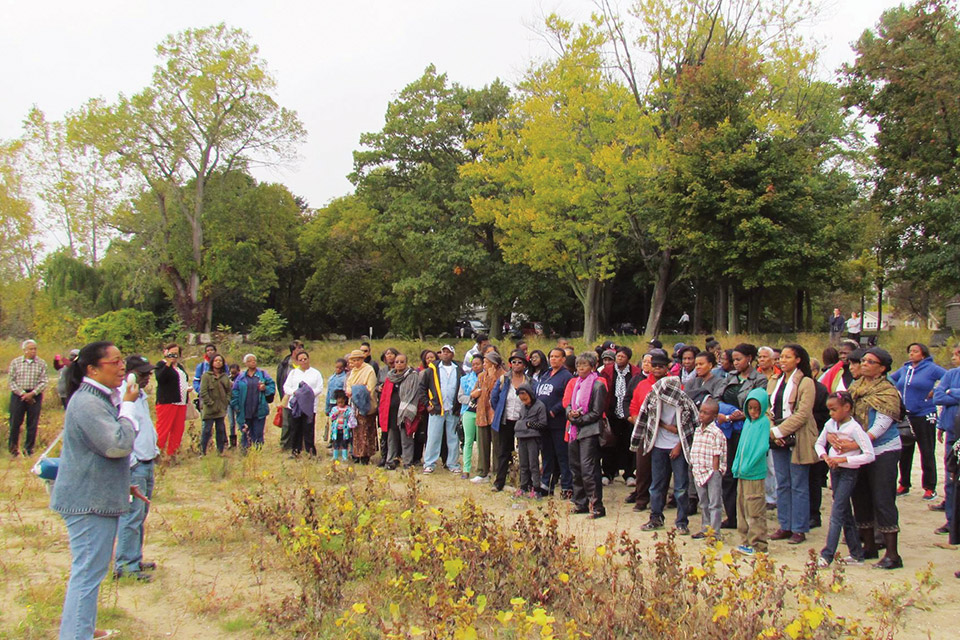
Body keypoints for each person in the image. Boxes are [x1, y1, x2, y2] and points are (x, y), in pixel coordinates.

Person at [51, 341, 141, 640]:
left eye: (122, 361)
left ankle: (81, 629)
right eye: (114, 362)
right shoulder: (88, 403)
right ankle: (76, 634)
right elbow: (117, 445)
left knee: (90, 572)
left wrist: (121, 483)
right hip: (87, 502)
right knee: (88, 574)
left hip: (94, 496)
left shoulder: (98, 398)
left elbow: (94, 455)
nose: (122, 367)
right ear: (92, 369)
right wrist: (129, 406)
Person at [845, 347, 903, 569]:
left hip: (883, 450)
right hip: (859, 450)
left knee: (883, 499)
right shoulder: (855, 387)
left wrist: (858, 442)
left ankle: (892, 554)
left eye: (871, 362)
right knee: (860, 497)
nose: (865, 364)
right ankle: (868, 546)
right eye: (864, 360)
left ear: (882, 368)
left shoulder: (887, 391)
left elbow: (881, 425)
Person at [767, 344, 820, 545]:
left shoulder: (806, 382)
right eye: (781, 357)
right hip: (777, 437)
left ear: (798, 360)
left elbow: (803, 413)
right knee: (782, 483)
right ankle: (785, 525)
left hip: (799, 437)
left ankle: (799, 528)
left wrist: (780, 431)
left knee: (798, 484)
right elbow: (767, 408)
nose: (782, 360)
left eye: (787, 357)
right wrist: (773, 431)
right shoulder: (775, 381)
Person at [815, 391, 875, 567]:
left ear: (847, 407)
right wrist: (825, 457)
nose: (831, 413)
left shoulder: (854, 428)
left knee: (837, 512)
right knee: (845, 512)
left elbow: (869, 455)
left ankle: (827, 554)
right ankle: (856, 554)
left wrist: (844, 460)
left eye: (834, 409)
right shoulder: (830, 424)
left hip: (849, 472)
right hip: (835, 470)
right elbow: (819, 443)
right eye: (829, 410)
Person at [115, 354, 160, 583]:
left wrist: (155, 450)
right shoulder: (124, 397)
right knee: (131, 516)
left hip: (147, 461)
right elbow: (121, 429)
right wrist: (130, 461)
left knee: (140, 514)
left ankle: (134, 557)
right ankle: (125, 566)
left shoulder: (140, 396)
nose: (147, 378)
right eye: (143, 374)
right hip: (135, 465)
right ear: (130, 375)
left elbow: (145, 427)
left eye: (149, 373)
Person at [633, 376, 698, 534]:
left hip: (678, 448)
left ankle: (681, 522)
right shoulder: (653, 398)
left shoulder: (684, 402)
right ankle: (655, 518)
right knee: (656, 486)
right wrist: (636, 442)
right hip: (658, 446)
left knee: (680, 488)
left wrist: (679, 446)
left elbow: (693, 427)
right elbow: (642, 420)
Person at [717, 344, 768, 529]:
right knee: (728, 473)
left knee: (745, 473)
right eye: (734, 360)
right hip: (727, 429)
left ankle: (747, 516)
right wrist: (724, 413)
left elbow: (759, 405)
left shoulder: (759, 379)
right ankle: (732, 516)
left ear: (750, 358)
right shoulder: (730, 376)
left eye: (739, 359)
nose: (736, 363)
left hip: (746, 429)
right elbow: (717, 397)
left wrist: (741, 414)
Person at [890, 342, 945, 500]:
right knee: (905, 451)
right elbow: (890, 380)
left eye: (915, 351)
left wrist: (937, 390)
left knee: (926, 451)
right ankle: (904, 484)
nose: (912, 354)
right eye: (910, 351)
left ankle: (929, 487)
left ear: (923, 354)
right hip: (906, 415)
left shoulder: (931, 368)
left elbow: (949, 378)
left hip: (925, 413)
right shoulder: (905, 369)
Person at [566, 352, 608, 518]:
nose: (581, 368)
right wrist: (570, 414)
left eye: (584, 365)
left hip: (589, 430)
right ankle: (580, 502)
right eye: (578, 365)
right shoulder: (576, 383)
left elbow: (597, 412)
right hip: (574, 430)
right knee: (575, 467)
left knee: (588, 469)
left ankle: (596, 505)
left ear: (592, 367)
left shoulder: (598, 385)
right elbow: (569, 404)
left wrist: (579, 419)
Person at [732, 389, 771, 555]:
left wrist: (749, 465)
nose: (753, 412)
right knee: (742, 508)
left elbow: (762, 447)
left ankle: (759, 545)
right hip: (742, 472)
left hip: (754, 473)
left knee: (755, 509)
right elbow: (741, 446)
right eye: (750, 408)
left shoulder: (763, 423)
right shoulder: (748, 423)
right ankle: (745, 540)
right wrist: (736, 465)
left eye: (757, 408)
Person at [490, 350, 531, 491]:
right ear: (510, 364)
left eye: (520, 362)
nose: (517, 364)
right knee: (503, 451)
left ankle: (524, 482)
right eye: (514, 362)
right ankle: (499, 481)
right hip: (506, 419)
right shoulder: (504, 379)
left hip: (521, 420)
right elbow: (494, 397)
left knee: (524, 451)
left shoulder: (529, 381)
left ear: (524, 365)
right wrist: (499, 411)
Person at [536, 347, 574, 497]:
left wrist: (554, 410)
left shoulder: (566, 376)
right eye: (551, 356)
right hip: (543, 421)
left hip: (558, 421)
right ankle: (546, 484)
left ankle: (567, 487)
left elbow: (568, 397)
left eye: (557, 356)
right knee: (546, 454)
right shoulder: (545, 374)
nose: (553, 359)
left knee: (562, 455)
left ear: (563, 359)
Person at [601, 346, 640, 487]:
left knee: (628, 444)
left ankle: (629, 473)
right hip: (611, 413)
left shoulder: (635, 372)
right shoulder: (607, 371)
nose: (619, 359)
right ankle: (608, 473)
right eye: (618, 356)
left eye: (622, 357)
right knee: (610, 444)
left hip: (628, 414)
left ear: (628, 359)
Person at [421, 345, 463, 474]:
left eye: (448, 352)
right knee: (433, 437)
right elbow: (422, 388)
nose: (445, 354)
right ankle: (429, 463)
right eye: (443, 351)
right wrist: (428, 405)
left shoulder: (459, 370)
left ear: (452, 354)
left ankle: (452, 463)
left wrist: (459, 406)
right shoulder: (432, 370)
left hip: (452, 409)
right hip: (437, 409)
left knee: (453, 438)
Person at [690, 398, 726, 540]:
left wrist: (715, 473)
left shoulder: (716, 433)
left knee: (714, 503)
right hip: (699, 471)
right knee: (703, 502)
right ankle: (705, 528)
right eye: (701, 412)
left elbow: (717, 454)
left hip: (712, 472)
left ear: (714, 416)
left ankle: (715, 533)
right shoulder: (698, 430)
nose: (702, 415)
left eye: (706, 413)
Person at [933, 344, 960, 534]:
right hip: (952, 432)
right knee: (951, 478)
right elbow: (938, 397)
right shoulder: (951, 374)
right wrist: (941, 425)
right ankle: (952, 521)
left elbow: (946, 394)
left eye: (957, 354)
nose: (953, 357)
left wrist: (952, 392)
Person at [379, 353, 422, 469]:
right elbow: (384, 396)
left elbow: (414, 394)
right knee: (391, 438)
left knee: (406, 438)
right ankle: (391, 461)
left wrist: (407, 410)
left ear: (406, 363)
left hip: (405, 411)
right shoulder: (390, 377)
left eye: (402, 362)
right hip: (391, 412)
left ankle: (407, 462)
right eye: (397, 362)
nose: (399, 364)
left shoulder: (412, 376)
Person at [8, 339, 48, 456]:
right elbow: (11, 381)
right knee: (15, 422)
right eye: (30, 349)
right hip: (18, 395)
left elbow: (44, 381)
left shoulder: (41, 363)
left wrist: (33, 393)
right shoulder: (16, 362)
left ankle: (28, 449)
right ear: (24, 350)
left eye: (35, 349)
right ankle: (13, 449)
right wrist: (23, 394)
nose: (33, 351)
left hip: (35, 395)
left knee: (32, 423)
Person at [230, 354, 276, 451]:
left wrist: (265, 388)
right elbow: (235, 391)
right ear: (245, 363)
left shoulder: (263, 374)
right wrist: (236, 406)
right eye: (250, 361)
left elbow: (272, 386)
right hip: (244, 410)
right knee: (245, 431)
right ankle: (245, 451)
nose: (253, 362)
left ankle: (257, 451)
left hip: (259, 409)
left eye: (254, 360)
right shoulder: (241, 377)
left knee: (258, 432)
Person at [283, 350, 324, 456]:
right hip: (296, 406)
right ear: (297, 361)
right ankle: (296, 451)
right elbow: (286, 387)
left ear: (308, 359)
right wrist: (295, 393)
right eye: (300, 360)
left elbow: (319, 388)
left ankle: (310, 451)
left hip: (309, 406)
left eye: (305, 359)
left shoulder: (315, 373)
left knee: (308, 428)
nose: (303, 361)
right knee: (295, 428)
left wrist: (308, 394)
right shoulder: (293, 373)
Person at [470, 351, 503, 483]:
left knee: (497, 444)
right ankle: (482, 472)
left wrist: (492, 376)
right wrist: (475, 393)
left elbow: (494, 390)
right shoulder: (481, 376)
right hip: (482, 413)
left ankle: (497, 472)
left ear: (494, 364)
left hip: (495, 414)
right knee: (482, 444)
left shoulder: (503, 376)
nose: (484, 364)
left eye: (486, 362)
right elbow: (473, 392)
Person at [154, 343, 190, 457]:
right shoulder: (161, 365)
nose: (174, 356)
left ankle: (173, 453)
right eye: (171, 353)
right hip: (167, 401)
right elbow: (160, 378)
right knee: (163, 428)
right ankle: (158, 452)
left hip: (181, 402)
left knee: (178, 429)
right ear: (166, 352)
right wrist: (168, 363)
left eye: (176, 354)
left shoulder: (180, 367)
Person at [346, 349, 379, 463]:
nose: (356, 362)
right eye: (353, 360)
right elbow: (348, 384)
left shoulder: (369, 370)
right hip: (355, 406)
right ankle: (357, 454)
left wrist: (356, 390)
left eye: (357, 360)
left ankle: (365, 455)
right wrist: (351, 390)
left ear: (362, 359)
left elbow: (370, 388)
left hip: (366, 404)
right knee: (356, 431)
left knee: (366, 431)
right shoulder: (353, 371)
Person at [514, 383, 546, 498]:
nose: (523, 401)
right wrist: (524, 425)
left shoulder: (540, 406)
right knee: (523, 464)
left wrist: (528, 424)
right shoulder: (523, 408)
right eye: (521, 399)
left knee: (533, 464)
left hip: (533, 439)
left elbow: (543, 424)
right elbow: (518, 423)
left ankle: (536, 488)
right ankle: (523, 487)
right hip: (521, 437)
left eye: (525, 397)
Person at [199, 354, 231, 456]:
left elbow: (229, 391)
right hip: (209, 408)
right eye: (216, 360)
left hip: (221, 407)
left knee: (220, 429)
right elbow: (203, 391)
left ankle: (220, 451)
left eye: (220, 361)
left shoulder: (225, 376)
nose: (218, 362)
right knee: (207, 430)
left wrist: (226, 401)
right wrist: (209, 402)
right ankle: (202, 451)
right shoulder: (206, 376)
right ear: (212, 362)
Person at [457, 355, 483, 479]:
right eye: (473, 364)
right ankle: (466, 469)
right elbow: (460, 397)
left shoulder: (487, 378)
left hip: (482, 413)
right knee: (468, 441)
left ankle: (482, 468)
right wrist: (473, 397)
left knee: (481, 442)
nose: (475, 366)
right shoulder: (465, 379)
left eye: (478, 364)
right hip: (468, 411)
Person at [276, 340, 304, 452]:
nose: (301, 350)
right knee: (286, 422)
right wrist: (282, 395)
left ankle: (298, 444)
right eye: (299, 348)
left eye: (302, 347)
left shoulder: (303, 362)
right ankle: (284, 444)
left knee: (300, 421)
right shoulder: (285, 364)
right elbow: (279, 380)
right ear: (293, 350)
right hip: (287, 395)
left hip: (301, 396)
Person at [324, 358, 348, 446]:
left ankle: (341, 440)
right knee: (334, 421)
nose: (338, 369)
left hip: (341, 403)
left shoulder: (345, 378)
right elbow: (328, 393)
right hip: (332, 403)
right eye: (336, 367)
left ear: (344, 368)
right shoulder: (332, 377)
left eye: (340, 368)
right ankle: (333, 438)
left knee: (341, 422)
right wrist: (327, 408)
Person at [329, 390, 356, 462]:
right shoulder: (334, 409)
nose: (340, 404)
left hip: (345, 430)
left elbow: (351, 417)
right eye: (338, 403)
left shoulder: (348, 409)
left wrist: (346, 416)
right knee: (336, 443)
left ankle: (345, 457)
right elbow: (331, 417)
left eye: (342, 402)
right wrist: (336, 414)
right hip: (336, 429)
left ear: (345, 400)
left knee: (344, 443)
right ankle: (335, 456)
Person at [226, 363, 241, 449]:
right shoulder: (228, 379)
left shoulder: (241, 379)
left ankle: (242, 440)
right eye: (231, 373)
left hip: (238, 402)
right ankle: (233, 443)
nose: (233, 375)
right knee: (231, 423)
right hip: (229, 403)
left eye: (235, 373)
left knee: (240, 422)